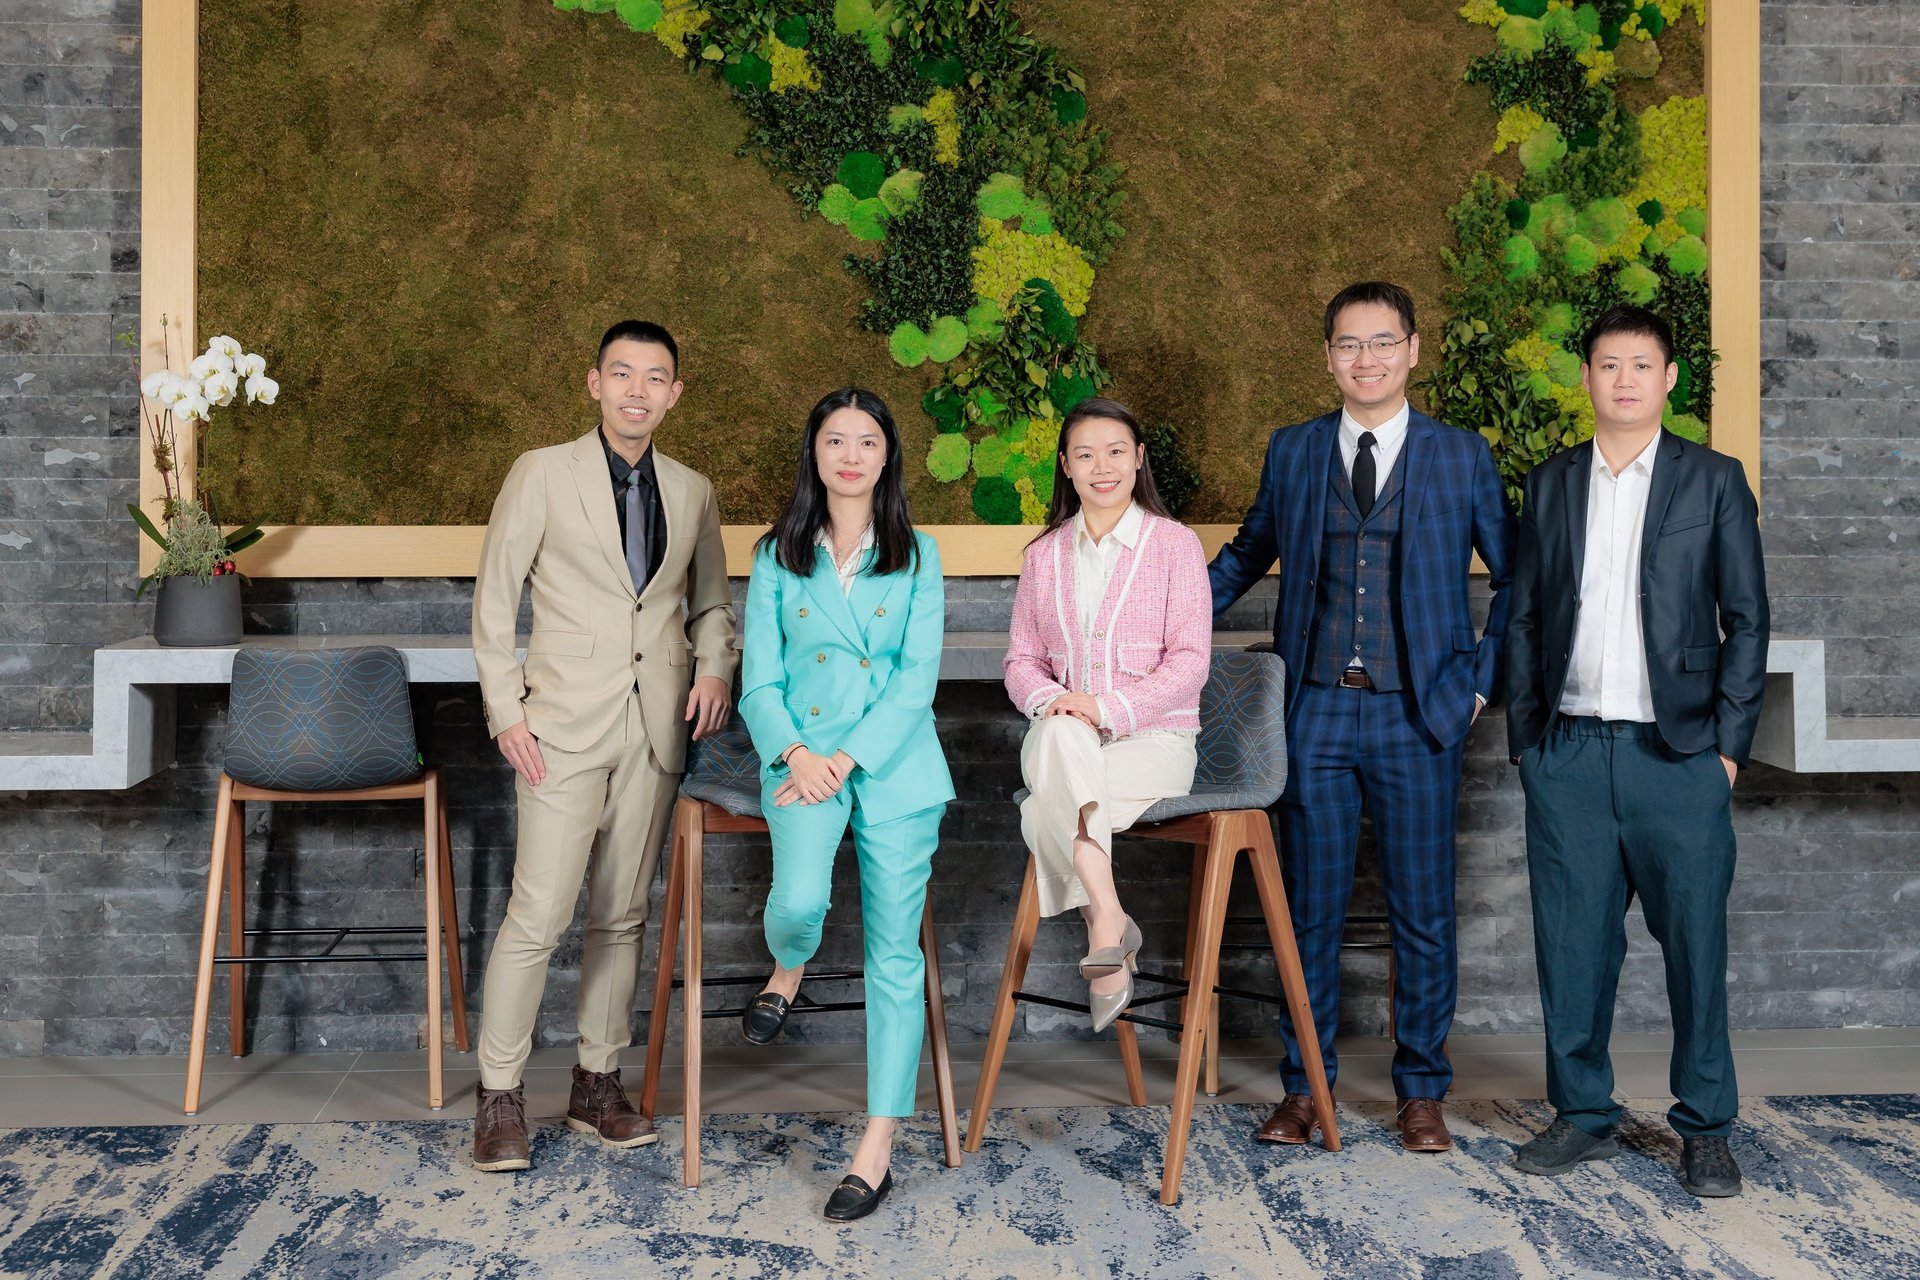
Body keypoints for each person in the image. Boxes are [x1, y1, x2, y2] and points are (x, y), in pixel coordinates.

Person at [1209, 281, 1515, 1153]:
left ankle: (1421, 1093)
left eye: (1384, 343)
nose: (1368, 359)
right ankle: (1305, 1090)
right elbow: (1244, 557)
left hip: (1422, 713)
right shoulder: (1296, 451)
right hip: (1315, 714)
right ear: (1329, 357)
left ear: (1414, 351)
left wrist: (1478, 683)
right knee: (1311, 911)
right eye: (1350, 344)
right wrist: (1159, 617)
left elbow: (1517, 579)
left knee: (1423, 910)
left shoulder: (1461, 455)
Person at [1506, 304, 1767, 1198]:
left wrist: (1727, 750)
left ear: (1668, 381)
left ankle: (1706, 1126)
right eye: (1607, 363)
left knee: (1695, 945)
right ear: (1586, 379)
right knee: (1571, 947)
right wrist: (1528, 745)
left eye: (1641, 364)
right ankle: (1582, 1114)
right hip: (1569, 751)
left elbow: (1748, 620)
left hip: (1679, 753)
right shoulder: (1549, 484)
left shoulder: (1715, 481)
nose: (1623, 378)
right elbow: (1525, 616)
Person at [469, 320, 736, 1172]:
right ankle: (500, 1097)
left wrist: (717, 669)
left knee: (621, 915)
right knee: (538, 914)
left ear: (674, 394)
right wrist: (506, 710)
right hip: (558, 724)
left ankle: (596, 1084)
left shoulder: (693, 490)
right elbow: (493, 596)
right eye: (621, 374)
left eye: (654, 378)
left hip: (654, 727)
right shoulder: (542, 472)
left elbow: (711, 603)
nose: (636, 390)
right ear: (594, 384)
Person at [736, 387, 952, 1222]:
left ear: (888, 454)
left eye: (868, 440)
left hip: (892, 765)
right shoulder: (775, 553)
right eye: (836, 440)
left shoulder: (919, 553)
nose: (852, 454)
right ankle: (787, 968)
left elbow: (913, 679)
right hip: (800, 755)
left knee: (896, 956)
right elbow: (757, 678)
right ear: (815, 454)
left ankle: (878, 1146)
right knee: (796, 905)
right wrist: (799, 753)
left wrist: (850, 758)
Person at [1003, 397, 1211, 1031]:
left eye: (1116, 451)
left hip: (1157, 743)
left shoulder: (1175, 545)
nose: (1102, 466)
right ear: (1065, 466)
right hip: (1065, 740)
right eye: (1085, 454)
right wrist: (1058, 704)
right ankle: (1111, 917)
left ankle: (1103, 920)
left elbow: (1191, 661)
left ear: (1139, 458)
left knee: (1044, 806)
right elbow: (1020, 664)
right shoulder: (1044, 556)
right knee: (1060, 734)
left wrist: (1105, 707)